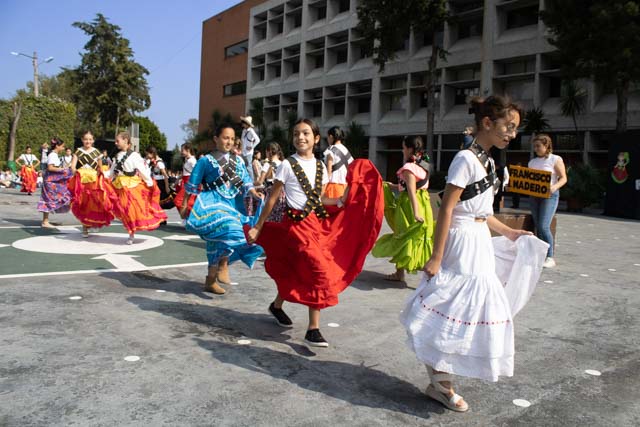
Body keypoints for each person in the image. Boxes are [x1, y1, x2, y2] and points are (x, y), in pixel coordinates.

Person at [401, 96, 545, 412]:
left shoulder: (489, 162)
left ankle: (439, 381)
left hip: (478, 240)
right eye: (509, 127)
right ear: (487, 123)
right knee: (453, 308)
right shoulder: (465, 159)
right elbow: (448, 209)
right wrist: (437, 256)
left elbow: (483, 212)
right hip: (460, 242)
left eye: (515, 129)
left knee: (471, 311)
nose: (512, 134)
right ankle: (441, 384)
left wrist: (509, 231)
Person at [247, 118, 384, 348]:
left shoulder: (321, 166)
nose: (301, 137)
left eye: (306, 133)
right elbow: (272, 198)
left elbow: (320, 198)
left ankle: (276, 306)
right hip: (294, 227)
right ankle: (313, 329)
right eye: (296, 134)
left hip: (315, 225)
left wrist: (339, 201)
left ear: (316, 139)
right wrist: (258, 226)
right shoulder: (287, 165)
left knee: (294, 270)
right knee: (317, 269)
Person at [180, 124, 264, 295]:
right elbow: (193, 183)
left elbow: (246, 180)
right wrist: (184, 205)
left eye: (232, 139)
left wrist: (254, 192)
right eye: (226, 137)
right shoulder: (205, 161)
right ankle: (216, 274)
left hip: (231, 203)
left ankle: (216, 273)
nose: (229, 141)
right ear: (216, 138)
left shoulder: (238, 160)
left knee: (220, 240)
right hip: (212, 203)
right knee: (230, 229)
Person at [372, 136, 435, 282]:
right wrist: (391, 186)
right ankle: (405, 272)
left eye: (403, 147)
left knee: (403, 236)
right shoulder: (423, 165)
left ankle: (422, 271)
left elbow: (411, 191)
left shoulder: (408, 168)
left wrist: (416, 212)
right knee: (418, 237)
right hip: (423, 202)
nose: (402, 150)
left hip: (409, 206)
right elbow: (410, 187)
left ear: (409, 149)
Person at [107, 132, 167, 244]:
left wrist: (149, 182)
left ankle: (131, 233)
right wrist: (103, 174)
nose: (116, 143)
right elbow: (111, 172)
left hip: (132, 186)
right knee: (123, 210)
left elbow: (143, 170)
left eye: (117, 141)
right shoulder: (117, 156)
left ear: (126, 140)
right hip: (120, 186)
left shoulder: (135, 156)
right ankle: (130, 230)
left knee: (131, 209)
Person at [68, 130, 119, 237]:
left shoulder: (96, 152)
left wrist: (102, 176)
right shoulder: (78, 151)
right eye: (86, 139)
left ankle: (90, 223)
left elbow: (99, 168)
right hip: (81, 181)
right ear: (82, 140)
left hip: (94, 181)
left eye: (90, 139)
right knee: (82, 203)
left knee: (94, 203)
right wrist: (75, 172)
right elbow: (73, 166)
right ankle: (84, 228)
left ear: (93, 140)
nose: (88, 141)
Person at [528, 134, 567, 268]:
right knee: (538, 226)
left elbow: (563, 178)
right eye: (535, 146)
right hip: (534, 196)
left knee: (544, 226)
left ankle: (550, 256)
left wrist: (554, 187)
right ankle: (541, 255)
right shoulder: (532, 162)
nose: (536, 149)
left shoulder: (555, 159)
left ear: (547, 146)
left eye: (538, 146)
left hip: (550, 196)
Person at [38, 138, 73, 228]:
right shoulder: (52, 155)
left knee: (54, 198)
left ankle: (46, 220)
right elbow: (50, 168)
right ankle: (45, 221)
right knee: (48, 199)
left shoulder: (54, 155)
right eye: (62, 146)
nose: (63, 148)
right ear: (57, 146)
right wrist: (63, 169)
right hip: (50, 182)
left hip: (53, 181)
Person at [255, 142, 286, 222]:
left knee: (270, 216)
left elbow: (260, 182)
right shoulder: (283, 163)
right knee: (280, 216)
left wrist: (250, 184)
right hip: (283, 193)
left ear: (269, 152)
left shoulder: (267, 165)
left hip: (271, 192)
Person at [323, 126, 354, 198]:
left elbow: (329, 172)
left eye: (327, 137)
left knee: (331, 208)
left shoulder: (330, 151)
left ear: (331, 137)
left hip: (333, 187)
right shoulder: (346, 150)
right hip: (347, 187)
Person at [173, 142, 198, 218]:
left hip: (189, 182)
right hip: (185, 181)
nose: (181, 152)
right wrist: (178, 179)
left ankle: (188, 217)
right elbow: (185, 173)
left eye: (182, 150)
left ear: (188, 150)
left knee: (178, 200)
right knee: (184, 201)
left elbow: (196, 172)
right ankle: (187, 217)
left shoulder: (192, 160)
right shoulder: (187, 160)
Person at [145, 146, 173, 212]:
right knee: (157, 201)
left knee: (158, 201)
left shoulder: (159, 163)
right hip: (155, 182)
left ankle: (161, 218)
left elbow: (165, 175)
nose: (147, 156)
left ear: (152, 153)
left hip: (160, 183)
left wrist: (167, 187)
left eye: (147, 154)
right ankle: (160, 218)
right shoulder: (153, 162)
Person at [240, 116, 260, 181]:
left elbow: (257, 140)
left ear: (247, 124)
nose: (242, 124)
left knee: (249, 167)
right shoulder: (244, 131)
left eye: (244, 122)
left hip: (248, 153)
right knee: (243, 166)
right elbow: (242, 140)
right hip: (243, 151)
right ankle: (245, 180)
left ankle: (251, 181)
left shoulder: (251, 131)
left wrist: (252, 147)